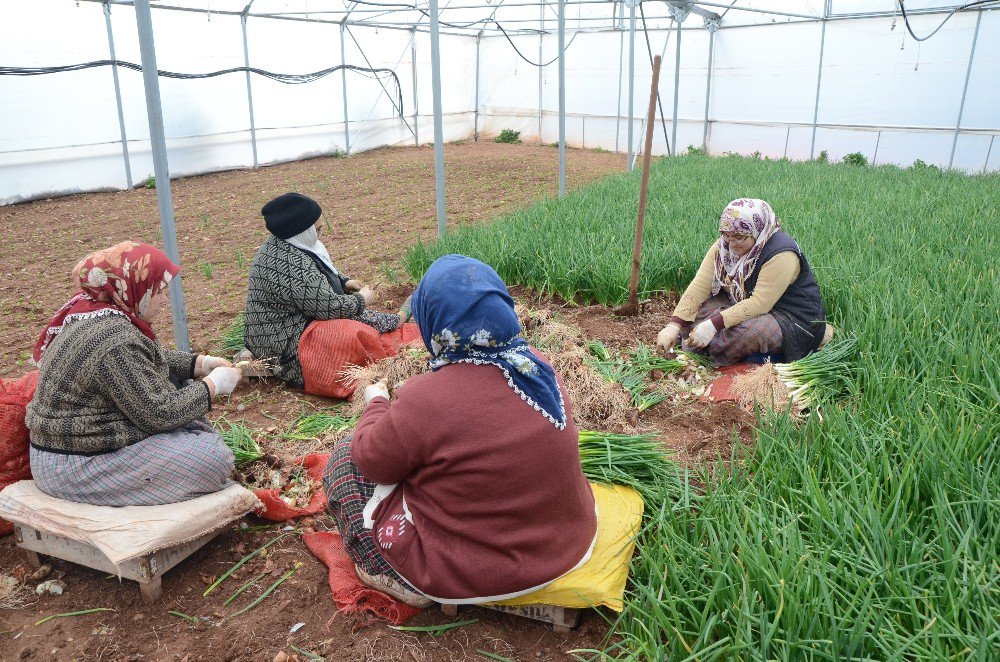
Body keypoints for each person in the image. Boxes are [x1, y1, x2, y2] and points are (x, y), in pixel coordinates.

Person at [323, 255, 597, 608]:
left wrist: (377, 402)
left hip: (476, 573)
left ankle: (393, 576)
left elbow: (373, 461)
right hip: (566, 544)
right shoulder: (537, 364)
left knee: (345, 460)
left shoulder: (426, 398)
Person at [25, 241, 242, 507]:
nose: (164, 300)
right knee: (214, 460)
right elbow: (160, 414)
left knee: (178, 382)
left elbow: (143, 359)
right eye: (159, 291)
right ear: (133, 288)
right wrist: (215, 384)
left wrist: (201, 363)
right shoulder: (113, 339)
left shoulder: (91, 312)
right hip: (74, 465)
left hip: (66, 450)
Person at [244, 192, 412, 389]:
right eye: (318, 229)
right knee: (348, 331)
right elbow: (328, 308)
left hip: (270, 331)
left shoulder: (284, 243)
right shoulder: (292, 264)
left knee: (349, 319)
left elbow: (317, 271)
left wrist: (344, 281)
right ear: (302, 230)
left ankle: (390, 321)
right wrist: (361, 299)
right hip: (281, 342)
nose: (320, 232)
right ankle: (395, 321)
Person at [656, 198, 828, 366]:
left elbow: (760, 303)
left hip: (787, 315)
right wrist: (674, 325)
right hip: (742, 300)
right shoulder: (723, 246)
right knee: (697, 310)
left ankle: (703, 349)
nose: (732, 244)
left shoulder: (781, 254)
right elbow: (700, 284)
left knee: (744, 333)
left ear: (757, 230)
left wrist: (712, 325)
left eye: (739, 237)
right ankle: (699, 341)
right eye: (727, 236)